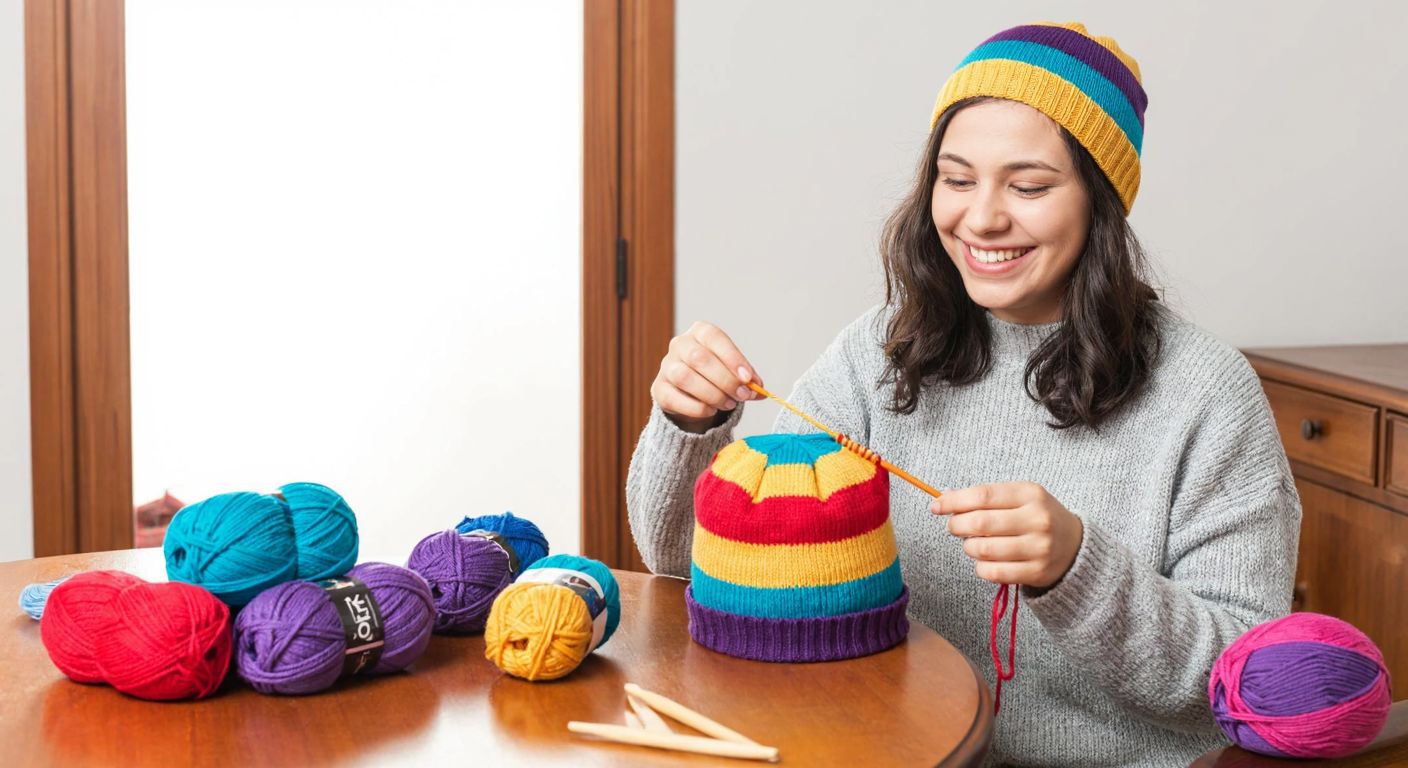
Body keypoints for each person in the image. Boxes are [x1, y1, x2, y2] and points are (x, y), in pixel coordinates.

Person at [626, 21, 1300, 767]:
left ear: (1100, 201)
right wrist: (690, 426)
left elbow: (1248, 681)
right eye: (956, 178)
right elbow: (686, 564)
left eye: (1030, 185)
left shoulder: (1206, 393)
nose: (982, 217)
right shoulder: (881, 350)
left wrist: (1079, 567)